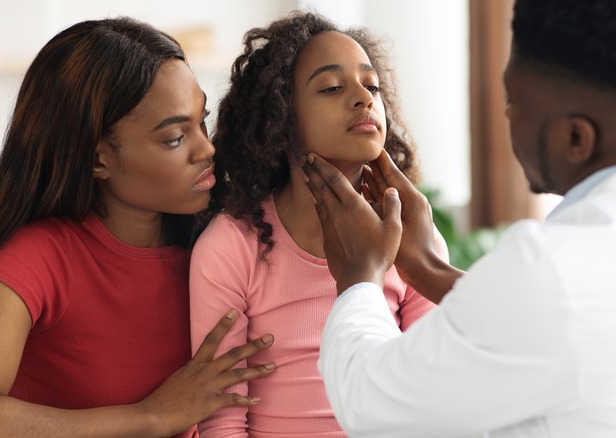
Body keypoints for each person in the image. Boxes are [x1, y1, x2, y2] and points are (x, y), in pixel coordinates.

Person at [302, 0, 616, 436]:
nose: (507, 114)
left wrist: (360, 274)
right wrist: (428, 269)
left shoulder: (552, 270)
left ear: (575, 137)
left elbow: (372, 407)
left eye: (513, 100)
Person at [0, 17, 277, 438]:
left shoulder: (216, 246)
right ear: (97, 159)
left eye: (201, 121)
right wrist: (152, 417)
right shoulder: (35, 260)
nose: (206, 149)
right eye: (174, 138)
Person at [187, 11, 448, 437]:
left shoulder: (414, 240)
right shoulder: (231, 247)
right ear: (280, 118)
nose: (364, 97)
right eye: (331, 87)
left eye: (372, 85)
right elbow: (222, 418)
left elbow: (435, 395)